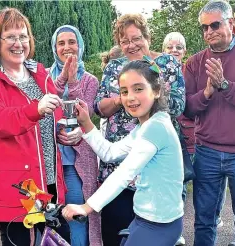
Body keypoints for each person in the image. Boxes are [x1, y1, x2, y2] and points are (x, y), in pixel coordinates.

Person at [0, 8, 80, 246]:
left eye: (23, 36)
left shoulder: (39, 73)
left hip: (47, 182)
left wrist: (64, 134)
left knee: (60, 240)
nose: (18, 43)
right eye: (10, 36)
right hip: (19, 188)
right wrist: (35, 109)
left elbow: (49, 120)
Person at [62, 60, 184, 246]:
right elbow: (110, 153)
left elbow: (125, 173)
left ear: (156, 91)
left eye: (138, 89)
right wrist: (87, 123)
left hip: (158, 225)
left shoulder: (156, 128)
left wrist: (86, 207)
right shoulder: (146, 126)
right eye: (124, 91)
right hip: (145, 219)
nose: (130, 97)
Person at [93, 13, 186, 246]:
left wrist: (149, 88)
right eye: (124, 41)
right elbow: (99, 107)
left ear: (148, 37)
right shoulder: (114, 67)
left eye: (136, 38)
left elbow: (178, 105)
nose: (131, 45)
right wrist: (124, 98)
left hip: (154, 160)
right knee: (117, 233)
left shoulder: (167, 64)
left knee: (152, 231)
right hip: (118, 154)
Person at [184, 1, 235, 245]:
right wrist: (208, 93)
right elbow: (188, 108)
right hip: (207, 151)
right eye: (204, 27)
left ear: (231, 23)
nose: (209, 31)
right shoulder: (195, 62)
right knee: (204, 220)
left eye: (215, 25)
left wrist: (224, 85)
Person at [49, 25, 102, 246]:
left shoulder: (90, 80)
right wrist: (62, 79)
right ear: (54, 48)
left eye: (72, 42)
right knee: (46, 216)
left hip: (75, 163)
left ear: (80, 46)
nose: (67, 47)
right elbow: (42, 112)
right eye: (61, 43)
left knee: (76, 215)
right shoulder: (44, 77)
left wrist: (73, 81)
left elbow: (85, 112)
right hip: (50, 161)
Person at [162, 31, 194, 246]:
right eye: (170, 47)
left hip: (186, 137)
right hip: (164, 134)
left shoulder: (189, 73)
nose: (174, 50)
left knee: (179, 186)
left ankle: (177, 229)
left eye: (179, 47)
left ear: (184, 51)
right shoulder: (156, 69)